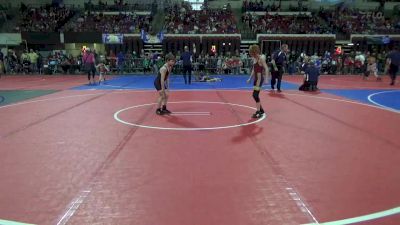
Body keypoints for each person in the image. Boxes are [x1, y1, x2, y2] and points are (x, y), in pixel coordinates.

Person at [247, 45, 269, 118]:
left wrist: (266, 79)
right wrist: (250, 78)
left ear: (255, 52)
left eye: (252, 53)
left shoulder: (261, 59)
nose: (251, 55)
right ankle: (261, 110)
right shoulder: (254, 58)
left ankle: (258, 112)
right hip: (256, 79)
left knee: (255, 95)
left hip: (259, 80)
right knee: (255, 95)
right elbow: (254, 69)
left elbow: (266, 68)